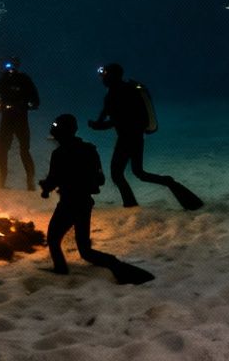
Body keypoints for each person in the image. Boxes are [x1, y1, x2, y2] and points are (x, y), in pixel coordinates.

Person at [39, 114, 152, 284]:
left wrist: (46, 187)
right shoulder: (89, 149)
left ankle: (61, 270)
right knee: (85, 250)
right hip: (85, 203)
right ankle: (115, 265)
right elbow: (100, 179)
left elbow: (54, 179)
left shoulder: (59, 153)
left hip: (69, 203)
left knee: (54, 240)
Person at [89, 62, 202, 210]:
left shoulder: (119, 93)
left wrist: (98, 125)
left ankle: (131, 205)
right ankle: (168, 184)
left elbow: (117, 119)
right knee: (138, 172)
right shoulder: (119, 92)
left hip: (128, 138)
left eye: (105, 75)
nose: (103, 79)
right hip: (135, 137)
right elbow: (107, 114)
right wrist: (98, 123)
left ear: (113, 76)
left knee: (119, 174)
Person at [0, 57, 41, 190]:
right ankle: (4, 180)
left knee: (19, 150)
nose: (11, 68)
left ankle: (27, 181)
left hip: (17, 118)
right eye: (9, 65)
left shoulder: (20, 80)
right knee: (8, 150)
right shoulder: (4, 81)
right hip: (13, 118)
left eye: (13, 65)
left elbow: (36, 100)